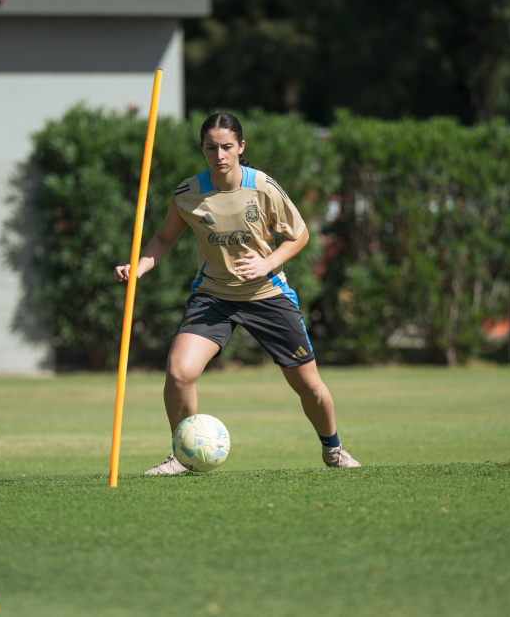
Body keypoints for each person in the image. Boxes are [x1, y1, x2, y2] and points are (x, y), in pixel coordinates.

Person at [114, 113, 361, 474]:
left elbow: (300, 235)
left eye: (227, 147)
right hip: (213, 296)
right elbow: (163, 239)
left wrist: (267, 264)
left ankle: (333, 450)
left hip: (267, 295)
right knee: (179, 374)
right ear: (202, 149)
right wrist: (138, 267)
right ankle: (183, 455)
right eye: (211, 148)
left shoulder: (262, 187)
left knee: (309, 386)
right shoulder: (188, 193)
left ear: (241, 148)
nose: (220, 155)